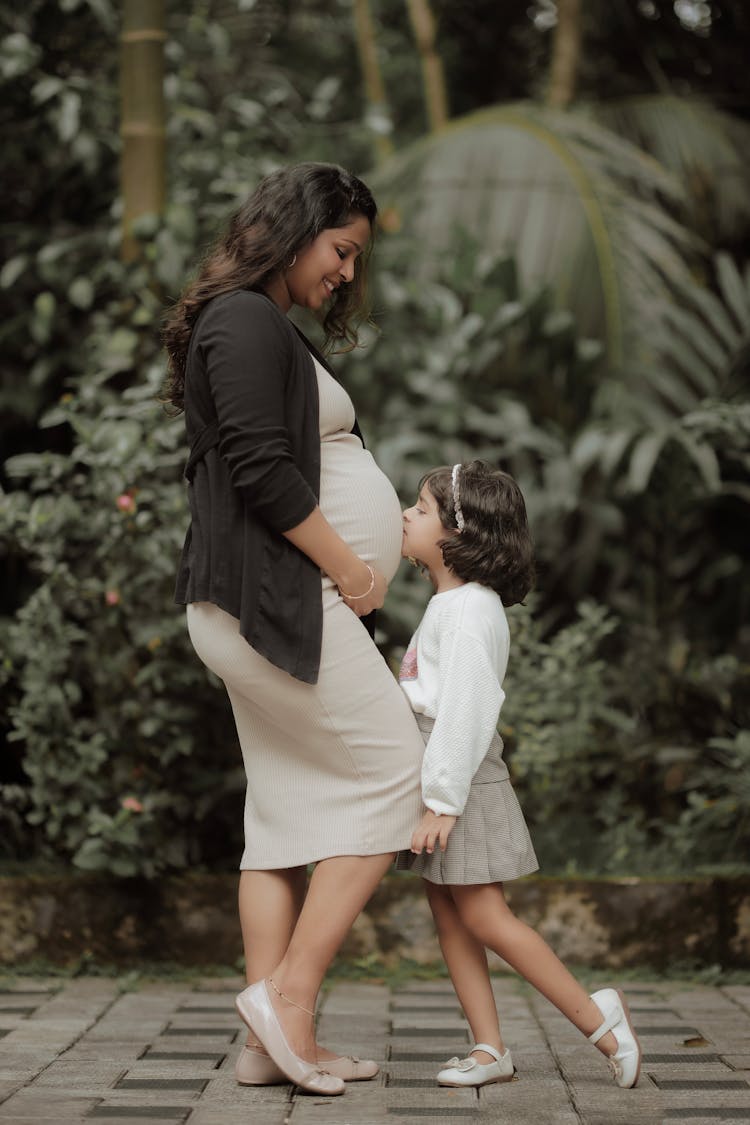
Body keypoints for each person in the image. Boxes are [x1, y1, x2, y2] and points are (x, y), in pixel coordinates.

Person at [163, 162, 424, 1098]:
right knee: (398, 767)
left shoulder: (258, 323)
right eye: (342, 249)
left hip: (267, 603)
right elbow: (264, 472)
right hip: (275, 602)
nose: (348, 273)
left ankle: (270, 1045)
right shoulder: (242, 320)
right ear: (295, 230)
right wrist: (353, 570)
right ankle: (288, 996)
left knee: (280, 821)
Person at [396, 460, 642, 1090]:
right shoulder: (449, 604)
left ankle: (602, 1024)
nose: (406, 516)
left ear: (458, 531)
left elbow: (468, 710)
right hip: (441, 778)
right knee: (451, 916)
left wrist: (443, 801)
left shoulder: (471, 610)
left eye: (420, 509)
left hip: (461, 783)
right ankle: (488, 1049)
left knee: (485, 918)